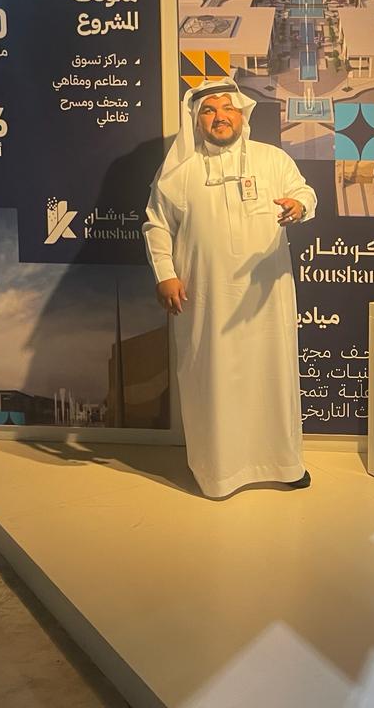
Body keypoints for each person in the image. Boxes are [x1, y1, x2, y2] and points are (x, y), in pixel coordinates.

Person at [142, 78, 317, 497]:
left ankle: (283, 463)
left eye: (227, 108)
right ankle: (219, 472)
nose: (219, 117)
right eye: (208, 110)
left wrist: (299, 206)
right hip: (207, 298)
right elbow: (157, 225)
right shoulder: (179, 173)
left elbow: (304, 192)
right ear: (197, 120)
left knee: (271, 375)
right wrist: (165, 273)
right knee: (213, 379)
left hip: (265, 300)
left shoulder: (272, 160)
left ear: (242, 113)